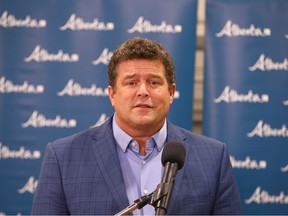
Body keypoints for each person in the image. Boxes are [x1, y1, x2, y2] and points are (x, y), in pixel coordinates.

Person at [32, 37, 242, 215]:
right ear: (112, 94)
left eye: (154, 82)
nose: (143, 91)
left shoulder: (213, 158)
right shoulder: (63, 157)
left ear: (171, 93)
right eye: (131, 82)